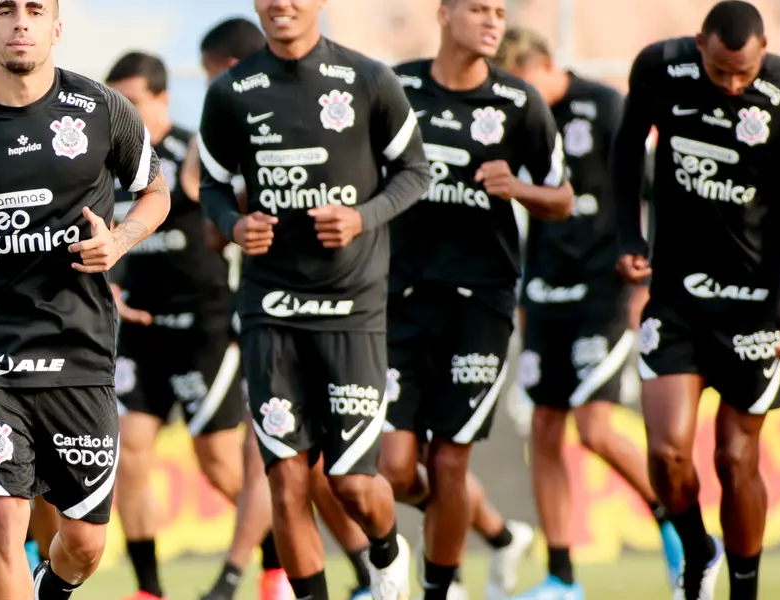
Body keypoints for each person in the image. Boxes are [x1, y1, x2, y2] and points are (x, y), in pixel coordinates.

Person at [0, 0, 170, 598]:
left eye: (34, 10)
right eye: (5, 10)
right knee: (2, 519)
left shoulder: (103, 109)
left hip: (79, 351)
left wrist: (120, 240)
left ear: (56, 26)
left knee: (84, 544)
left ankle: (52, 587)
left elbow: (155, 193)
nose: (20, 22)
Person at [198, 0, 432, 599]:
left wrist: (361, 217)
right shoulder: (231, 92)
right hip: (270, 308)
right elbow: (212, 187)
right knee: (286, 483)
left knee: (352, 485)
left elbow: (415, 171)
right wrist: (234, 225)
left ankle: (387, 549)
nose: (282, 3)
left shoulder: (368, 78)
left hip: (352, 308)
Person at [612, 2, 780, 599]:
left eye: (744, 72)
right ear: (699, 42)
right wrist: (629, 237)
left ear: (765, 51)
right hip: (677, 299)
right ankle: (696, 549)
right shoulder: (658, 69)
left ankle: (744, 590)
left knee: (735, 458)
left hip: (755, 304)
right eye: (720, 70)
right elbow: (625, 151)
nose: (732, 85)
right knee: (667, 455)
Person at [384, 1, 575, 598]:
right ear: (445, 14)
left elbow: (563, 198)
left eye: (499, 11)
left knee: (449, 462)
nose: (494, 21)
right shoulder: (394, 88)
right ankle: (484, 527)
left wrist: (516, 187)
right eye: (478, 9)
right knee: (393, 467)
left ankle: (440, 589)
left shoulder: (520, 102)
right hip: (397, 301)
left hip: (479, 306)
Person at [494, 26, 685, 598]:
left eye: (522, 81)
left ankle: (677, 522)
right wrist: (523, 296)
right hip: (545, 292)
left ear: (544, 64)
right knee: (545, 430)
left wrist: (646, 279)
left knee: (595, 428)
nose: (519, 94)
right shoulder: (521, 120)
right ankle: (561, 578)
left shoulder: (605, 105)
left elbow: (655, 190)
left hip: (604, 288)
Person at [100, 50, 265, 600]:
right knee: (128, 456)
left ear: (164, 99)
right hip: (139, 333)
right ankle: (149, 590)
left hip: (204, 331)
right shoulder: (103, 165)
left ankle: (276, 565)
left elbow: (228, 212)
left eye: (134, 102)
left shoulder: (195, 152)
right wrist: (109, 286)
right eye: (116, 104)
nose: (124, 114)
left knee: (220, 464)